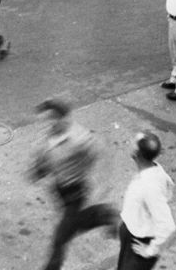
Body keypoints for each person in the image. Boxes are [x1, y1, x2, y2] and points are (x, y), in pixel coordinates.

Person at [29, 98, 117, 270]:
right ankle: (105, 215)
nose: (45, 126)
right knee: (78, 224)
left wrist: (102, 185)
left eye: (48, 121)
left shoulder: (79, 139)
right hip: (59, 189)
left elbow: (102, 155)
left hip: (76, 191)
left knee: (61, 237)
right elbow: (45, 159)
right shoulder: (47, 137)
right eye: (43, 121)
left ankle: (52, 267)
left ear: (61, 119)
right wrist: (38, 170)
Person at [117, 131, 176, 270]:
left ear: (137, 153)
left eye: (133, 142)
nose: (129, 142)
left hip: (139, 243)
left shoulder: (150, 186)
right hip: (132, 233)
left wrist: (150, 250)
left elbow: (168, 226)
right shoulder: (154, 171)